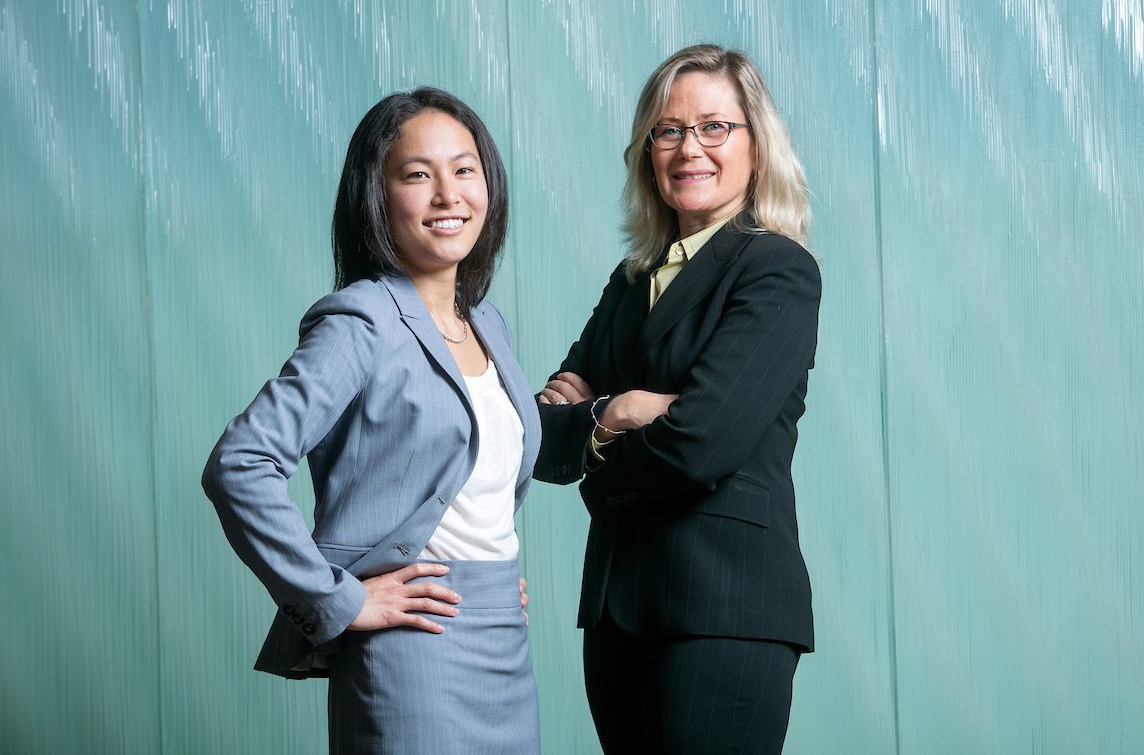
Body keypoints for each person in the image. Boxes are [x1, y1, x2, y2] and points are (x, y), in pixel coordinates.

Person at [202, 88, 541, 754]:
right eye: (418, 175)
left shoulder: (488, 322)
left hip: (504, 642)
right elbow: (240, 465)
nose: (449, 195)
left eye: (464, 169)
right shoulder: (362, 320)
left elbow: (476, 482)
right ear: (377, 197)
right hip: (411, 654)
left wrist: (489, 567)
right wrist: (341, 599)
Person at [535, 44, 820, 753]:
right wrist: (620, 414)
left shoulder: (777, 271)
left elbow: (701, 443)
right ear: (646, 151)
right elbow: (538, 437)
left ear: (757, 145)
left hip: (723, 612)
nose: (690, 147)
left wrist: (592, 443)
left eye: (715, 127)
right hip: (616, 611)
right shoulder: (631, 281)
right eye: (669, 130)